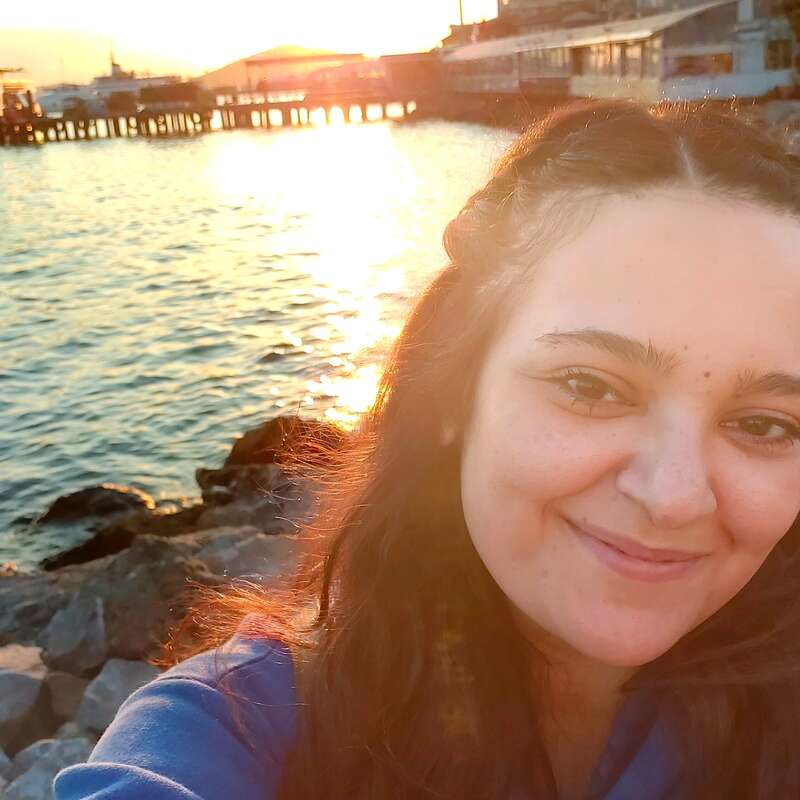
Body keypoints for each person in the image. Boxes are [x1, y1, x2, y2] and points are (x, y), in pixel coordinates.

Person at [55, 99, 800, 800]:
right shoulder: (234, 731)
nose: (674, 497)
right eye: (589, 386)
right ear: (456, 390)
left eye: (767, 425)